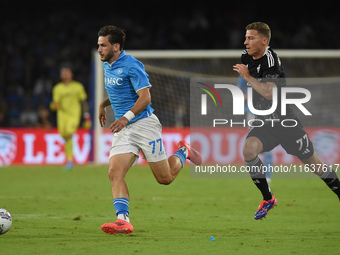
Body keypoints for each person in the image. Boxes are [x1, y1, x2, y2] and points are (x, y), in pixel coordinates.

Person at [97, 25, 202, 235]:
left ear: (116, 46)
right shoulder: (108, 65)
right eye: (98, 45)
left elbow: (145, 98)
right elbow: (119, 91)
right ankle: (122, 220)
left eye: (103, 45)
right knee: (114, 172)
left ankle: (184, 152)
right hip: (124, 129)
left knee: (165, 178)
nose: (99, 49)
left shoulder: (132, 65)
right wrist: (103, 105)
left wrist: (126, 118)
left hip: (144, 125)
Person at [233, 22, 340, 220]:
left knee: (316, 166)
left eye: (251, 38)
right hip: (263, 122)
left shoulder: (271, 60)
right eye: (246, 37)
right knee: (248, 150)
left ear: (264, 41)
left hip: (285, 122)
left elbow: (269, 93)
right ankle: (268, 198)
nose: (245, 41)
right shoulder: (246, 57)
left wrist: (247, 77)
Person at [51, 67, 89, 170]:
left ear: (71, 75)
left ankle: (69, 161)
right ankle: (69, 159)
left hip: (74, 115)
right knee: (64, 136)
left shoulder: (78, 87)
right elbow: (55, 104)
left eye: (67, 73)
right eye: (63, 73)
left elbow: (83, 102)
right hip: (62, 116)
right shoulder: (57, 88)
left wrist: (87, 117)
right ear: (60, 76)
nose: (65, 75)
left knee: (69, 134)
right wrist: (54, 106)